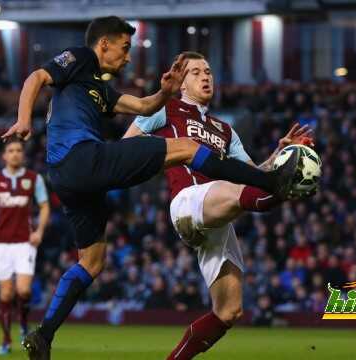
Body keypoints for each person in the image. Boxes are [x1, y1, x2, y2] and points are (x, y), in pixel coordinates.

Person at [1, 16, 301, 359]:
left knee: (92, 262)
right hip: (82, 159)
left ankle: (44, 335)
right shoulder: (82, 58)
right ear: (104, 44)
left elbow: (143, 106)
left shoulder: (100, 90)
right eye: (125, 48)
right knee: (187, 148)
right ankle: (274, 183)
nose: (128, 57)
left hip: (72, 179)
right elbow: (37, 76)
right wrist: (24, 118)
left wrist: (165, 92)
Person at [123, 51, 314, 359]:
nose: (205, 76)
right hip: (188, 200)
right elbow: (125, 147)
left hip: (217, 219)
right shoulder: (167, 108)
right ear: (182, 83)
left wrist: (278, 154)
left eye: (208, 71)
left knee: (229, 312)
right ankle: (284, 190)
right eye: (196, 72)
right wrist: (158, 160)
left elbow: (253, 175)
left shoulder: (225, 131)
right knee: (255, 192)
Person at [0, 138, 50, 355]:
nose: (15, 154)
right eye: (11, 150)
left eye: (19, 150)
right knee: (6, 294)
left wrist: (39, 231)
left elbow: (45, 207)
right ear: (4, 155)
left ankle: (23, 324)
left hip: (24, 243)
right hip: (1, 244)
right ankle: (6, 340)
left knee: (24, 290)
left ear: (23, 154)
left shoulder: (33, 179)